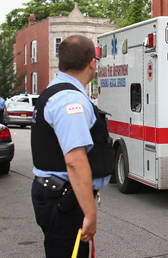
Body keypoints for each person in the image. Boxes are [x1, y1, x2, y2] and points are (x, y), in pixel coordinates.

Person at [31, 35, 113, 257]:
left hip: (54, 194)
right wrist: (90, 213)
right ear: (92, 63)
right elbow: (75, 161)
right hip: (64, 200)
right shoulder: (70, 100)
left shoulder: (54, 90)